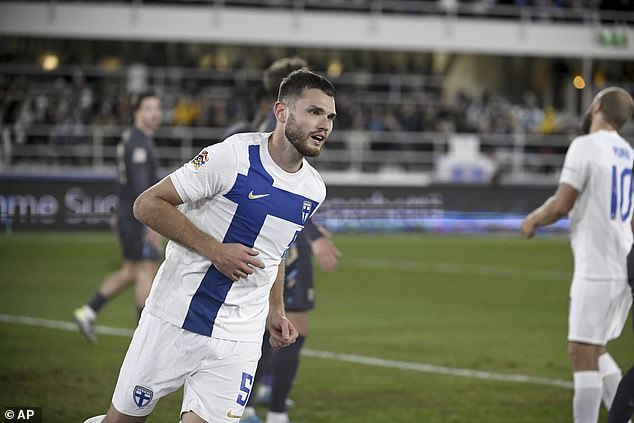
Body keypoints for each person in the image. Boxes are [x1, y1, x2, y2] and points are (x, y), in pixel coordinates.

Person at [82, 68, 337, 423]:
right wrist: (215, 250)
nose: (324, 124)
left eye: (329, 116)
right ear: (281, 112)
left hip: (241, 338)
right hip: (176, 317)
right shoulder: (231, 156)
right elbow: (147, 204)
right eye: (314, 112)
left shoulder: (313, 189)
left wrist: (275, 310)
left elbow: (275, 252)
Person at [520, 86, 634, 423]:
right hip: (623, 265)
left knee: (581, 353)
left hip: (597, 266)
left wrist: (533, 219)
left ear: (597, 106)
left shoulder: (585, 146)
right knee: (594, 350)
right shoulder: (628, 152)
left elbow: (562, 203)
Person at [239, 57, 342, 423]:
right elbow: (280, 193)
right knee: (288, 322)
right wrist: (311, 236)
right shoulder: (281, 127)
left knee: (271, 320)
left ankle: (252, 401)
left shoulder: (260, 124)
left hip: (270, 235)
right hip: (283, 243)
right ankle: (272, 409)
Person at [74, 91, 163, 343]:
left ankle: (88, 310)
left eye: (156, 108)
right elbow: (140, 187)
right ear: (136, 112)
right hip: (138, 216)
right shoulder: (138, 143)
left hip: (129, 215)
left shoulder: (135, 140)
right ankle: (143, 336)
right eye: (148, 108)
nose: (154, 113)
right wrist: (152, 222)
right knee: (146, 270)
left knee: (133, 270)